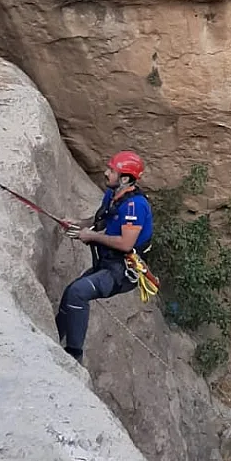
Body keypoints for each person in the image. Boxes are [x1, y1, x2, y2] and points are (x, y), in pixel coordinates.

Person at [56, 150, 154, 364]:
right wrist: (79, 224)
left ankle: (74, 356)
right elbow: (101, 219)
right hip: (108, 263)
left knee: (77, 293)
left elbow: (126, 243)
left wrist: (91, 236)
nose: (106, 172)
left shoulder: (134, 206)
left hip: (122, 272)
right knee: (70, 294)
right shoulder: (113, 195)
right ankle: (54, 336)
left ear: (125, 178)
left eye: (112, 170)